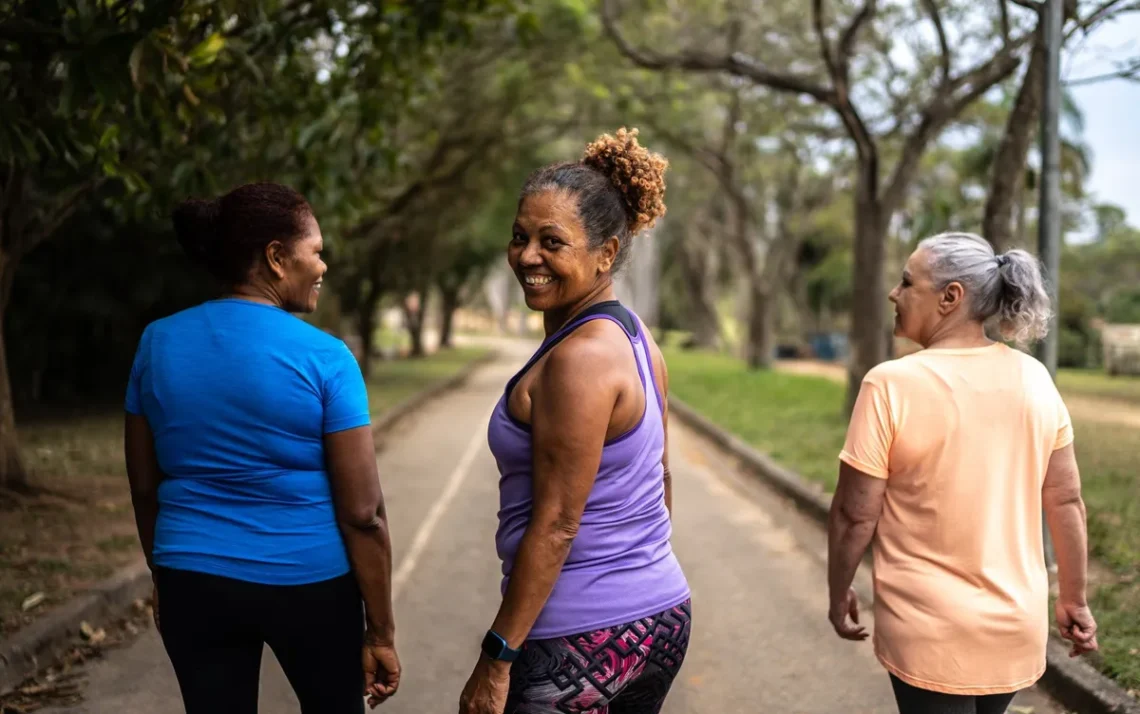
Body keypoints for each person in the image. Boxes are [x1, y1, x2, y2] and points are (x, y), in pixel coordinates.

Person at [123, 182, 400, 713]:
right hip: (310, 583)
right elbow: (364, 513)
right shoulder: (327, 357)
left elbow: (143, 485)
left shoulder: (157, 342)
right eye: (315, 252)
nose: (323, 266)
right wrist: (380, 632)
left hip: (192, 577)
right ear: (276, 258)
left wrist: (166, 574)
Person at [459, 129, 692, 714]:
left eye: (552, 242)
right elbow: (660, 481)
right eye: (520, 237)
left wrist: (496, 657)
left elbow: (559, 522)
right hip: (658, 614)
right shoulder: (637, 341)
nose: (528, 257)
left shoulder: (580, 359)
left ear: (605, 255)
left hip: (580, 637)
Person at [827, 232, 1098, 714]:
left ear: (951, 297)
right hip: (1015, 623)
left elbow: (853, 514)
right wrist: (1074, 599)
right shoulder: (1035, 378)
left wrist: (838, 589)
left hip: (927, 626)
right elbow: (1066, 501)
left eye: (907, 282)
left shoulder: (890, 383)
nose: (895, 292)